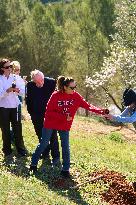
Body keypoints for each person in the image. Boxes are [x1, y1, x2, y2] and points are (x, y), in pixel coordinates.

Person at [30, 76, 108, 177]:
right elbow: (48, 112)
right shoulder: (55, 95)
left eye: (75, 87)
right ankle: (33, 164)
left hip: (64, 124)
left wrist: (102, 111)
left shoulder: (75, 96)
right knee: (44, 143)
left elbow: (88, 106)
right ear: (65, 87)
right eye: (72, 88)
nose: (74, 90)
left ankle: (65, 169)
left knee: (65, 146)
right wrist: (63, 116)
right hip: (51, 122)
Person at [26, 70, 60, 164]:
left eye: (42, 80)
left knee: (53, 136)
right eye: (38, 81)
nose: (41, 82)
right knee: (40, 135)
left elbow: (57, 98)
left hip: (50, 114)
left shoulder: (51, 82)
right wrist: (31, 113)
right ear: (33, 80)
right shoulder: (30, 85)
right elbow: (28, 100)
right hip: (36, 115)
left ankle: (56, 156)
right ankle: (45, 153)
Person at [0, 58, 28, 157]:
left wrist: (17, 90)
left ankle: (21, 149)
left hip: (15, 106)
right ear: (2, 69)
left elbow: (24, 92)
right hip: (3, 107)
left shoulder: (16, 77)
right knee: (5, 129)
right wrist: (7, 91)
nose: (10, 68)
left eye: (10, 66)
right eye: (7, 67)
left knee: (17, 128)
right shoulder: (0, 79)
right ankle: (7, 150)